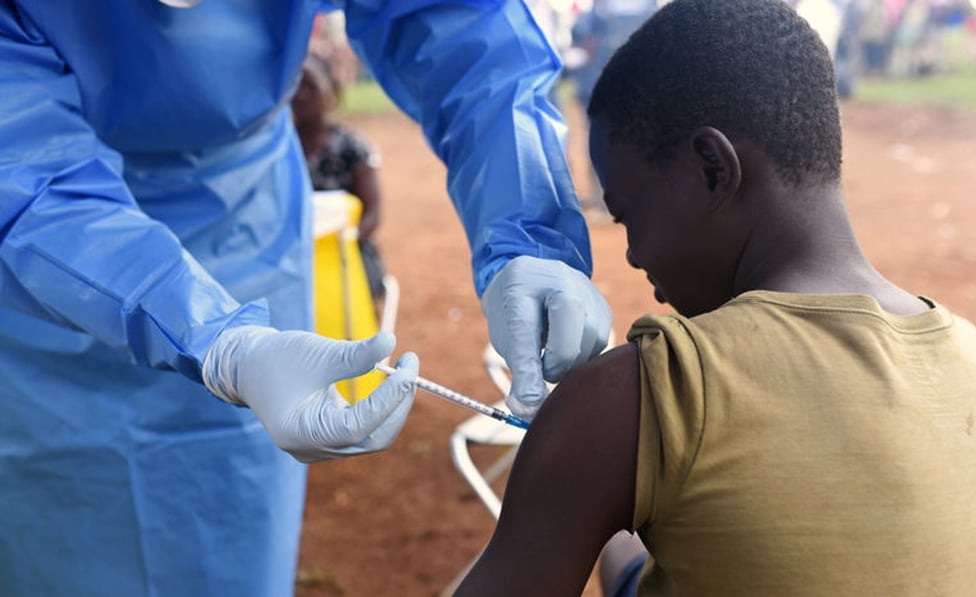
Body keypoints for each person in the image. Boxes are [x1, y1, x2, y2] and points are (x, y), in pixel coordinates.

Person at [0, 1, 611, 595]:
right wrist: (217, 340)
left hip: (246, 221)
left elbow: (463, 28)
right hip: (50, 278)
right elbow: (26, 180)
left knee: (228, 521)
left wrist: (529, 231)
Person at [455, 1, 976, 595]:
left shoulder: (656, 390)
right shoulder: (971, 352)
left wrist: (570, 435)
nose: (632, 255)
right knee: (624, 549)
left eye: (629, 217)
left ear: (712, 168)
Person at [292, 53, 387, 302]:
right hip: (293, 255)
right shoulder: (281, 151)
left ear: (330, 92)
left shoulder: (351, 147)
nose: (300, 94)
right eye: (294, 86)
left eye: (310, 85)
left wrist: (339, 243)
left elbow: (372, 215)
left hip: (346, 251)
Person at [569, 0, 659, 216]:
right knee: (642, 141)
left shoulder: (598, 10)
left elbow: (581, 38)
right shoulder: (649, 7)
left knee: (601, 141)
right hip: (638, 84)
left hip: (603, 84)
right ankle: (642, 202)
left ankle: (604, 203)